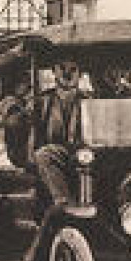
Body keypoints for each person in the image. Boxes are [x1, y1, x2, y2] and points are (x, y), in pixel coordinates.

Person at [29, 60, 86, 210]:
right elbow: (34, 132)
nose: (67, 74)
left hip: (87, 154)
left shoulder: (88, 99)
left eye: (73, 69)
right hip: (59, 154)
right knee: (44, 154)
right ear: (54, 71)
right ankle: (65, 205)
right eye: (62, 68)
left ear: (80, 74)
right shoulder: (43, 101)